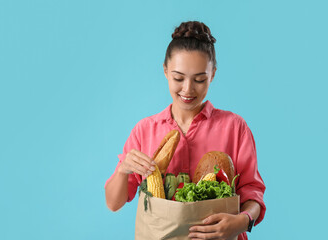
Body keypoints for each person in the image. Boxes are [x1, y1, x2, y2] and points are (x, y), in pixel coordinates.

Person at [105, 21, 266, 240]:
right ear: (165, 71)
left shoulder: (234, 127)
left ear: (213, 74)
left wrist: (242, 221)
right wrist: (123, 169)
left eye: (200, 79)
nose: (188, 89)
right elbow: (113, 203)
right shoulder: (145, 130)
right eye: (178, 78)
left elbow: (253, 194)